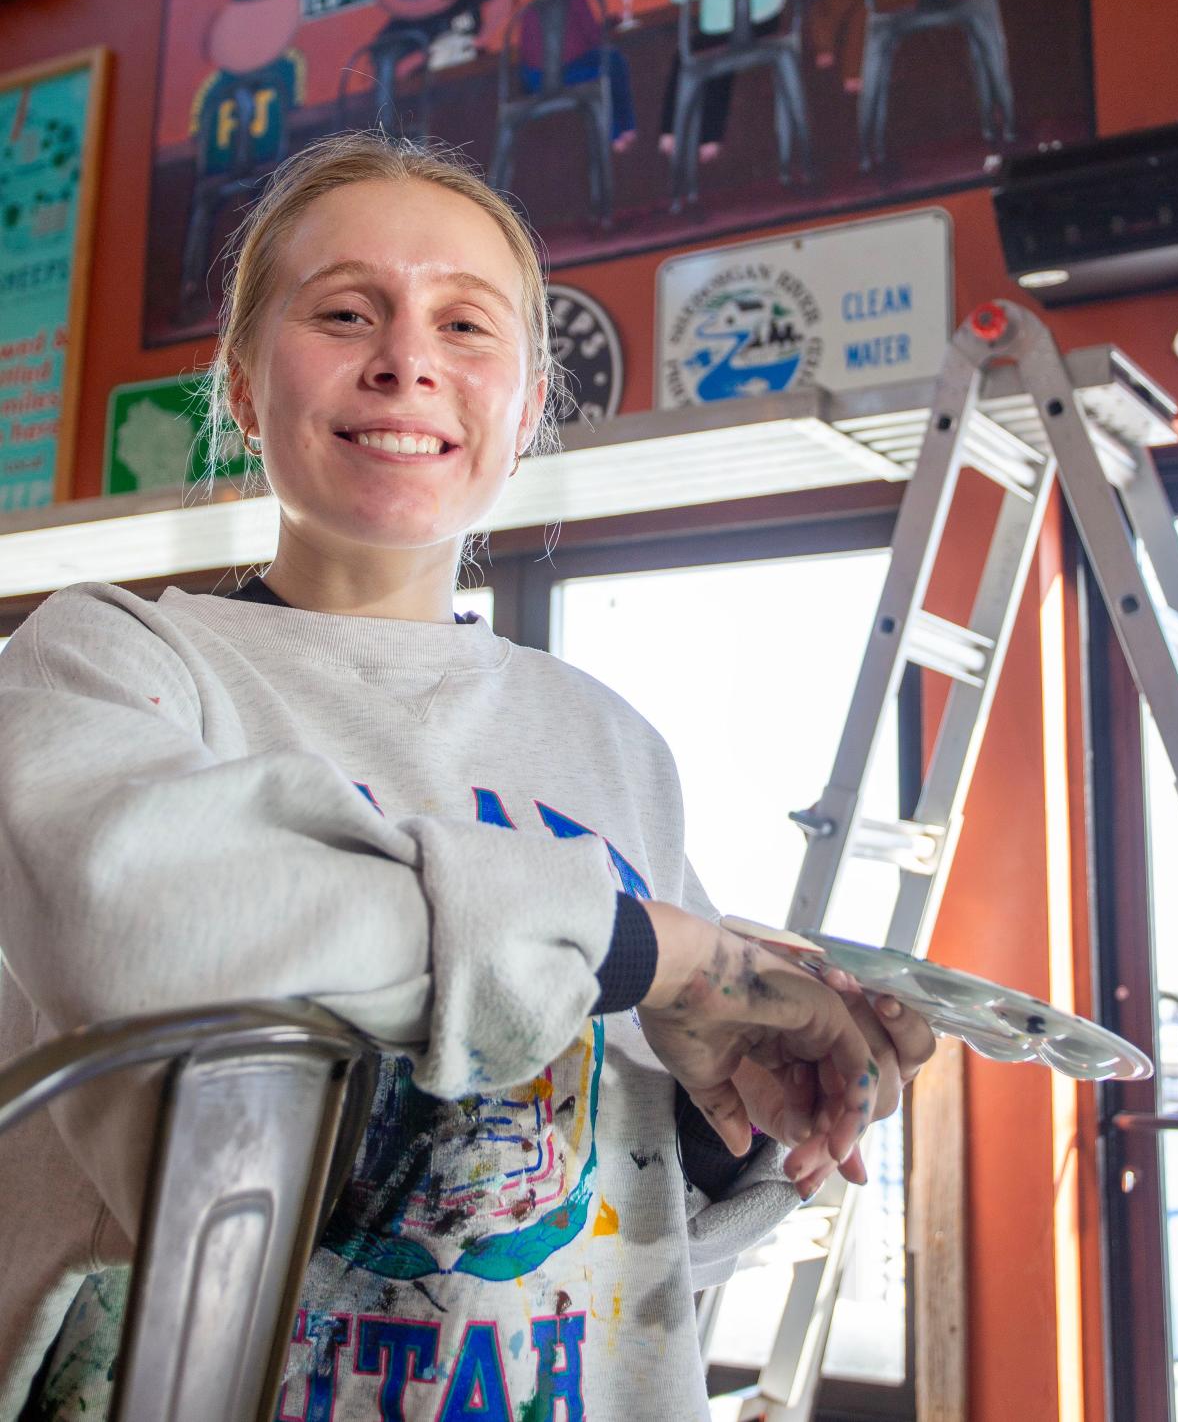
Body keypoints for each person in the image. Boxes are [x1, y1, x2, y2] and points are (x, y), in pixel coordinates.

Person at [0, 133, 935, 1419]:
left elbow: (611, 1239)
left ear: (529, 402)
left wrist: (729, 1130)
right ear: (240, 381)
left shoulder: (614, 745)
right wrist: (658, 952)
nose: (409, 359)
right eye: (344, 312)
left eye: (466, 324)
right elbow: (161, 918)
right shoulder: (106, 665)